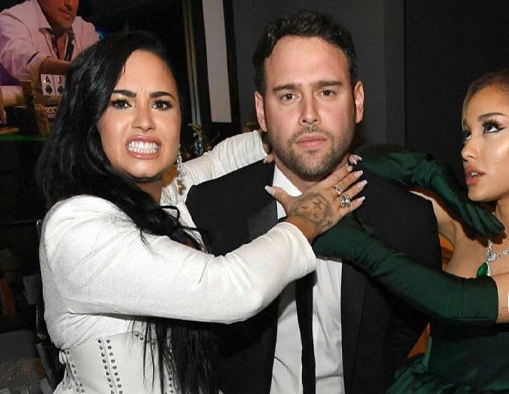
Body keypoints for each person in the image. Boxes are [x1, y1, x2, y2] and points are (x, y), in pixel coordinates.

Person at [184, 10, 497, 394]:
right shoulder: (212, 210)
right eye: (288, 96)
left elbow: (396, 341)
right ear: (262, 112)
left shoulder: (405, 220)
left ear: (358, 101)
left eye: (327, 92)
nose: (309, 115)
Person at [36, 31, 365, 394]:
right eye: (122, 103)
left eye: (161, 103)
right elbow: (230, 290)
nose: (145, 120)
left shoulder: (170, 192)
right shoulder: (75, 227)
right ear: (90, 118)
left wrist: (302, 135)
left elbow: (225, 158)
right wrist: (305, 220)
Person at [315, 40, 509, 393]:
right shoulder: (467, 224)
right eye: (467, 133)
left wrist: (360, 248)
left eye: (492, 128)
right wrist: (426, 169)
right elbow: (362, 167)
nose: (468, 149)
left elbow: (456, 302)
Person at [0, 0, 99, 87]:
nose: (70, 4)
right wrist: (76, 69)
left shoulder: (85, 29)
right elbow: (21, 58)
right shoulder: (12, 19)